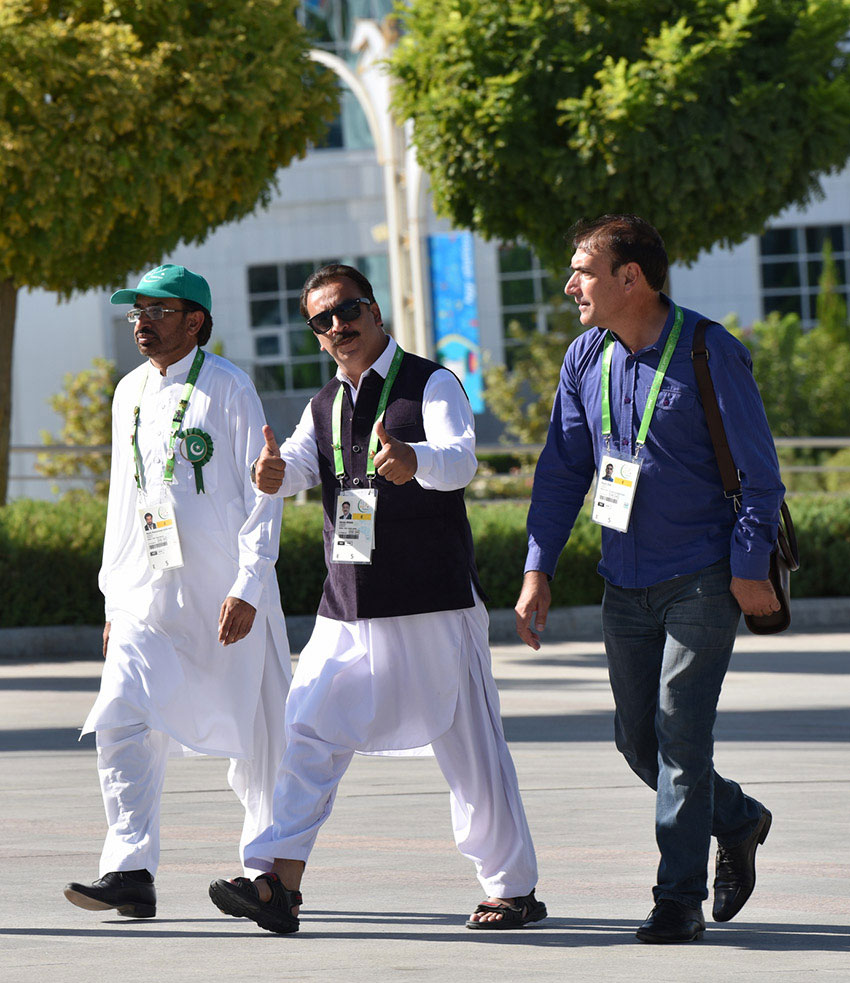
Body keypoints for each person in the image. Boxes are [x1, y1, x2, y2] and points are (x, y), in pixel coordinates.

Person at [208, 263, 544, 935]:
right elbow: (298, 465)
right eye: (322, 320)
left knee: (470, 750)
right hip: (347, 603)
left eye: (348, 310)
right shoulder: (323, 405)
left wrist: (417, 461)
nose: (338, 326)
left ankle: (513, 890)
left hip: (432, 600)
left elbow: (461, 458)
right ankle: (277, 882)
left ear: (375, 311)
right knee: (308, 732)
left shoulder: (430, 382)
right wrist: (271, 473)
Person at [515, 216, 783, 944]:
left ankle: (677, 899)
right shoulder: (586, 356)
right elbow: (561, 471)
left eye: (583, 271)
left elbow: (761, 477)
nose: (570, 285)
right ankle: (739, 818)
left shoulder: (708, 349)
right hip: (623, 582)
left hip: (701, 576)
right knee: (639, 742)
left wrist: (748, 569)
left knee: (680, 734)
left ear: (630, 277)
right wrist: (537, 566)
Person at [64, 264, 291, 919]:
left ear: (194, 321)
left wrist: (249, 585)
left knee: (259, 740)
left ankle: (265, 874)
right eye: (137, 311)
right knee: (121, 716)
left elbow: (265, 493)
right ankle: (130, 869)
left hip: (226, 595)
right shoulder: (127, 391)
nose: (142, 322)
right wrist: (114, 597)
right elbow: (123, 499)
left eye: (157, 310)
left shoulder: (229, 387)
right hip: (146, 593)